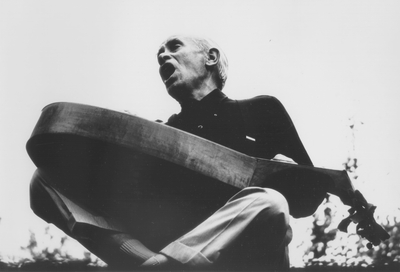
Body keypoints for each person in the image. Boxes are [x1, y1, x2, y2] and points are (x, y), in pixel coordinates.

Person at [30, 35, 321, 270]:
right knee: (42, 179)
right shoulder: (160, 134)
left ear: (210, 58)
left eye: (174, 47)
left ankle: (156, 266)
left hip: (248, 256)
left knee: (270, 202)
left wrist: (287, 174)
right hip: (175, 243)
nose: (162, 57)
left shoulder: (261, 110)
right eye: (159, 54)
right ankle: (151, 263)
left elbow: (308, 202)